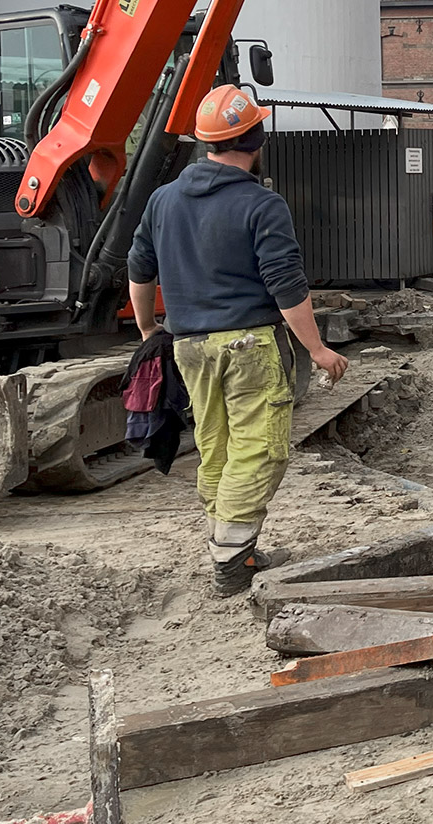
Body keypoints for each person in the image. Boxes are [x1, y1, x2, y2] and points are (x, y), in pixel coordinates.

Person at [127, 84, 349, 597]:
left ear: (206, 142)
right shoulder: (261, 204)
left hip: (189, 346)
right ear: (258, 138)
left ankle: (233, 545)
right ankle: (230, 557)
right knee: (258, 449)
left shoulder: (163, 200)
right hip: (248, 344)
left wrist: (147, 329)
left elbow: (139, 268)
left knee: (216, 446)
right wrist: (316, 349)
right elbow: (285, 285)